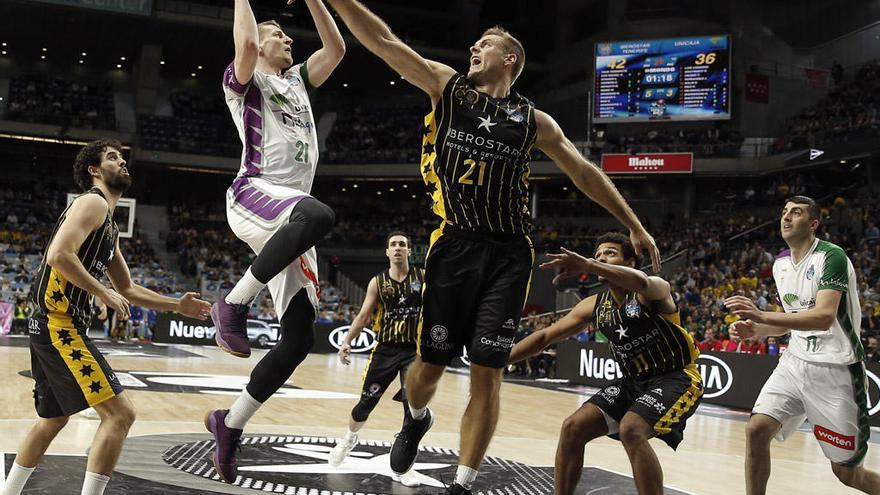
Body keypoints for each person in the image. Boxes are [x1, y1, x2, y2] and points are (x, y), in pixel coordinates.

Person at [324, 4, 660, 492]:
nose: (473, 49)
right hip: (453, 244)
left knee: (489, 371)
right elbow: (384, 41)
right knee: (429, 367)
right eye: (474, 44)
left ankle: (463, 481)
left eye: (485, 44)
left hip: (508, 254)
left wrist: (632, 224)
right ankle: (415, 417)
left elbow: (584, 172)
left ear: (511, 59)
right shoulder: (448, 87)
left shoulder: (533, 122)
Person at [0, 139, 210, 495]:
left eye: (123, 158)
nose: (123, 162)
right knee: (120, 414)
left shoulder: (109, 226)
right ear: (94, 171)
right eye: (113, 158)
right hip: (59, 325)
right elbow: (59, 254)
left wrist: (178, 305)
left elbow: (127, 289)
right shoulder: (93, 202)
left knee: (52, 420)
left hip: (52, 325)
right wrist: (101, 292)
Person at [205, 0, 345, 484]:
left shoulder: (298, 81)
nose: (288, 39)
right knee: (318, 212)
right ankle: (234, 303)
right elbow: (244, 42)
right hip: (255, 191)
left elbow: (337, 47)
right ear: (261, 45)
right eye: (279, 34)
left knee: (301, 337)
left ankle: (231, 423)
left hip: (293, 216)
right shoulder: (244, 81)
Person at [509, 233, 701, 495]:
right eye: (597, 255)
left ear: (630, 262)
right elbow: (544, 336)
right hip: (633, 383)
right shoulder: (595, 306)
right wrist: (496, 361)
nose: (600, 258)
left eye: (609, 253)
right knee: (572, 428)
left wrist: (588, 265)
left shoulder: (653, 289)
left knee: (631, 429)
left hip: (676, 378)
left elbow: (644, 281)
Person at [725, 195, 880, 494]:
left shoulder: (831, 256)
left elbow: (822, 317)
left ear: (813, 224)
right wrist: (756, 330)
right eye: (784, 212)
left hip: (836, 370)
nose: (786, 217)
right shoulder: (780, 263)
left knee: (847, 474)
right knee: (757, 429)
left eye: (796, 213)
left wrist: (760, 313)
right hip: (794, 364)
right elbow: (791, 320)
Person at [328, 232, 424, 487]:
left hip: (414, 352)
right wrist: (347, 341)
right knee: (365, 404)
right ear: (387, 252)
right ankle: (349, 439)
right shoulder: (377, 282)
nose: (397, 248)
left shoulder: (423, 278)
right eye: (393, 245)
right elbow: (362, 316)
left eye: (402, 245)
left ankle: (403, 467)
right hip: (384, 350)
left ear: (409, 251)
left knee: (412, 411)